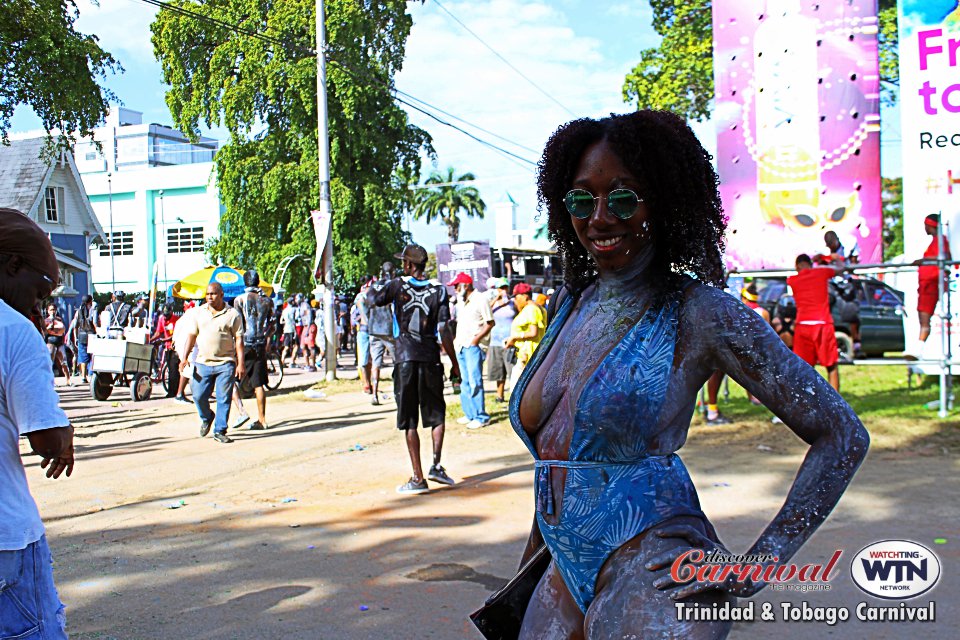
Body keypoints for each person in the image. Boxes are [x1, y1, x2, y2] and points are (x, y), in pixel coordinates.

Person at [493, 111, 868, 638]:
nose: (599, 217)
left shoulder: (701, 312)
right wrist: (535, 560)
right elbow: (562, 458)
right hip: (563, 562)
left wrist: (761, 562)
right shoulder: (569, 303)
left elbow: (841, 434)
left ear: (663, 204)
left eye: (623, 198)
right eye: (581, 200)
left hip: (654, 566)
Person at [0, 208, 76, 639]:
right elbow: (46, 439)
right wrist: (64, 436)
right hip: (5, 538)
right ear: (12, 266)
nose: (41, 303)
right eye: (43, 288)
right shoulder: (12, 329)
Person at [369, 244, 461, 494]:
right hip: (430, 356)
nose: (402, 267)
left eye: (403, 263)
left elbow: (374, 300)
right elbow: (443, 329)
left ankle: (418, 477)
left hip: (405, 359)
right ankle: (436, 464)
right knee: (436, 414)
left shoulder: (397, 285)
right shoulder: (439, 290)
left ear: (410, 265)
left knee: (409, 419)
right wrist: (454, 363)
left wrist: (380, 283)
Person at [178, 283, 246, 444]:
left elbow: (239, 340)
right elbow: (191, 336)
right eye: (207, 294)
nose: (209, 297)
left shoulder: (233, 314)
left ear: (221, 295)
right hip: (202, 363)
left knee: (224, 398)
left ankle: (220, 430)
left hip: (226, 363)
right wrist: (184, 358)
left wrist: (240, 363)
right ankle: (207, 416)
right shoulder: (199, 313)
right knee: (198, 395)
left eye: (213, 294)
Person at [788, 254, 842, 391]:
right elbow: (841, 268)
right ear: (810, 264)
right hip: (822, 324)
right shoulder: (821, 272)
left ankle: (807, 403)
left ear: (797, 266)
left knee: (804, 368)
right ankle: (837, 406)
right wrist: (830, 257)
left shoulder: (792, 280)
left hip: (803, 325)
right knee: (832, 366)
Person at [450, 272, 495, 429]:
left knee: (475, 381)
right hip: (461, 345)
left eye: (456, 285)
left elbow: (490, 323)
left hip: (473, 346)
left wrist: (476, 340)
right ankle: (470, 414)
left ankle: (481, 416)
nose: (454, 288)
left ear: (465, 285)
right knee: (465, 382)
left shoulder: (481, 299)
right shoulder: (461, 302)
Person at [233, 270, 275, 430]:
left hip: (245, 343)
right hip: (260, 343)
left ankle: (241, 411)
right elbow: (273, 326)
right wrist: (266, 339)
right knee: (259, 384)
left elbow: (238, 327)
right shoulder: (267, 300)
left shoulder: (240, 300)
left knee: (231, 378)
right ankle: (262, 419)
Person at [915, 213, 952, 342]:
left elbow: (944, 256)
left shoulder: (941, 240)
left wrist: (922, 260)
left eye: (926, 225)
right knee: (922, 315)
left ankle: (919, 348)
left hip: (931, 283)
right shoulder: (937, 241)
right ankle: (918, 347)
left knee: (925, 316)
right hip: (926, 283)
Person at [504, 282, 545, 393]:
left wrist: (514, 338)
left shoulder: (531, 309)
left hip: (528, 355)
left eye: (517, 297)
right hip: (529, 354)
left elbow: (533, 332)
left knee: (516, 391)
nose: (515, 301)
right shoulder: (537, 308)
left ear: (525, 296)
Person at [368, 262, 398, 405]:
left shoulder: (373, 286)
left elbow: (367, 303)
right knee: (397, 361)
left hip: (373, 329)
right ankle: (398, 392)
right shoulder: (392, 285)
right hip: (388, 329)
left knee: (376, 363)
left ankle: (374, 394)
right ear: (392, 272)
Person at [487, 278, 516, 402]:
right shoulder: (492, 303)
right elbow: (486, 311)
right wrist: (497, 299)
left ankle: (515, 396)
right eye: (501, 288)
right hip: (495, 341)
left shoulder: (513, 302)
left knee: (512, 370)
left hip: (509, 341)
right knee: (499, 371)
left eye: (505, 287)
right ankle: (500, 395)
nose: (503, 290)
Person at [151, 303, 180, 397]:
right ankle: (171, 390)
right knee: (170, 369)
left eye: (167, 315)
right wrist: (150, 340)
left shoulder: (176, 320)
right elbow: (159, 332)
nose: (166, 317)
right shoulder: (161, 319)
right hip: (167, 346)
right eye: (164, 315)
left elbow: (176, 334)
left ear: (171, 312)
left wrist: (164, 340)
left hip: (176, 347)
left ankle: (173, 392)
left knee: (173, 370)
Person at [172, 300, 198, 404]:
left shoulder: (182, 318)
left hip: (181, 346)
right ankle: (179, 394)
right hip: (188, 346)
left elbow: (175, 335)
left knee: (189, 369)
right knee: (187, 370)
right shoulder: (194, 316)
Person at [70, 294, 98, 384]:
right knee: (92, 355)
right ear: (90, 301)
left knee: (83, 357)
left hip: (81, 336)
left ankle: (83, 377)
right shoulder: (93, 310)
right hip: (91, 335)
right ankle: (91, 374)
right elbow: (95, 323)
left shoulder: (78, 311)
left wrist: (76, 338)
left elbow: (75, 326)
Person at [43, 304, 71, 386]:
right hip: (51, 342)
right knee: (50, 362)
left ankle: (68, 380)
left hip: (60, 342)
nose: (53, 311)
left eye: (54, 309)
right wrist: (49, 327)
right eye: (51, 310)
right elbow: (44, 331)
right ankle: (52, 381)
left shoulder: (59, 319)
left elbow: (63, 329)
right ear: (48, 311)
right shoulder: (46, 321)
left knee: (64, 362)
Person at [354, 281, 373, 394]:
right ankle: (366, 384)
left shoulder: (373, 296)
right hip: (364, 330)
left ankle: (369, 383)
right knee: (363, 360)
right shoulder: (361, 297)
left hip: (372, 330)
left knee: (370, 360)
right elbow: (361, 307)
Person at [299, 295, 318, 371]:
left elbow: (309, 318)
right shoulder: (301, 306)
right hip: (305, 327)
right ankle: (307, 364)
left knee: (311, 346)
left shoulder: (306, 306)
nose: (296, 300)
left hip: (309, 326)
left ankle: (313, 365)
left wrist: (308, 330)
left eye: (297, 298)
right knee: (303, 346)